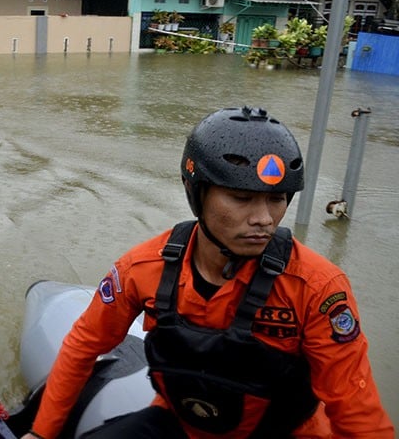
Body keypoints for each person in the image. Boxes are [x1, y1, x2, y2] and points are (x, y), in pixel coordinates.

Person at [21, 106, 394, 439]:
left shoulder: (317, 289)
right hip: (179, 424)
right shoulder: (142, 268)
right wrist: (41, 433)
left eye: (277, 199)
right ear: (196, 192)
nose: (264, 219)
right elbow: (83, 346)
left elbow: (355, 408)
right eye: (242, 198)